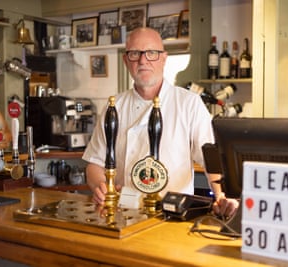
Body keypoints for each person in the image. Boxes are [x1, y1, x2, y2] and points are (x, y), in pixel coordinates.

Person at [83, 27, 238, 217]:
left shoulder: (189, 104)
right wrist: (100, 186)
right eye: (134, 54)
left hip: (172, 215)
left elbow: (211, 160)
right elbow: (94, 163)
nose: (143, 60)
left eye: (151, 53)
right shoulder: (114, 106)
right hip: (122, 215)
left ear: (164, 58)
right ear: (125, 60)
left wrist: (221, 196)